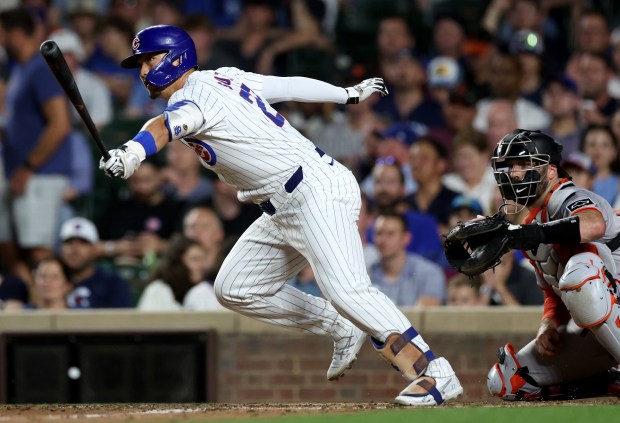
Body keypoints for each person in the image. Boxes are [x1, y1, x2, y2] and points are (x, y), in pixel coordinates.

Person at [98, 25, 462, 406]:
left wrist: (132, 153)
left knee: (348, 290)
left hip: (313, 191)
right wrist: (346, 94)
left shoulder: (196, 99)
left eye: (149, 59)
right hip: (283, 204)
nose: (142, 71)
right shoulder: (225, 77)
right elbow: (288, 86)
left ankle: (434, 373)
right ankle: (338, 324)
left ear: (175, 56)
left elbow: (164, 126)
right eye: (139, 62)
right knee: (235, 288)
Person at [486, 129, 620, 401]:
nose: (514, 173)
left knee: (582, 273)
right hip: (606, 325)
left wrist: (539, 233)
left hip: (611, 302)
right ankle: (612, 382)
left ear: (550, 171)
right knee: (508, 380)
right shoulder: (530, 228)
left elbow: (594, 225)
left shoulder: (566, 195)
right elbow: (553, 295)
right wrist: (547, 325)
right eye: (511, 166)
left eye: (524, 165)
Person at [0, 8, 73, 283]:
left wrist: (28, 167)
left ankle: (50, 313)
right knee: (15, 246)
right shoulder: (22, 69)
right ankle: (34, 298)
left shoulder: (41, 69)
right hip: (24, 174)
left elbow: (60, 123)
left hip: (40, 175)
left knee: (38, 250)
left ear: (15, 33)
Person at [369, 213, 446, 307]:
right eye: (379, 233)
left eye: (390, 234)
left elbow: (427, 315)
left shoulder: (430, 272)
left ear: (406, 238)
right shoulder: (366, 274)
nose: (383, 240)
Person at [59, 217, 133, 308]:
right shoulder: (49, 281)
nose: (75, 249)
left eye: (83, 242)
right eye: (69, 242)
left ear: (95, 249)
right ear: (61, 248)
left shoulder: (113, 285)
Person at [137, 235, 212, 311]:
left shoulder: (205, 291)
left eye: (204, 260)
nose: (202, 265)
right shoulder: (158, 290)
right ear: (178, 263)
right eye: (195, 259)